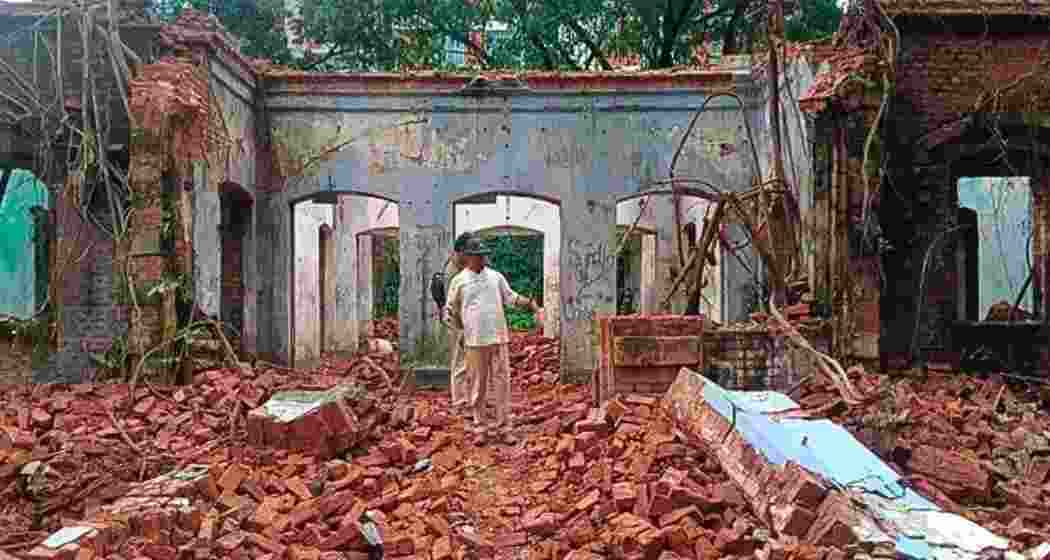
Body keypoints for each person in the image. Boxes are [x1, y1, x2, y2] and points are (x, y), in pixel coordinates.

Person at [444, 235, 541, 439]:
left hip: (498, 338)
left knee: (502, 384)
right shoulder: (459, 281)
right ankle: (480, 427)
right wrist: (458, 331)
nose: (481, 259)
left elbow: (511, 298)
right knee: (477, 385)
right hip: (474, 340)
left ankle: (504, 427)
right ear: (468, 257)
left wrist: (530, 303)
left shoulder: (496, 277)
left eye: (483, 255)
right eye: (477, 256)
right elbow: (450, 310)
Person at [445, 232, 474, 409]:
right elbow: (454, 307)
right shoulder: (452, 273)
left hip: (464, 321)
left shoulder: (458, 268)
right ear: (460, 251)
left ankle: (466, 398)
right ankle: (460, 402)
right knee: (460, 362)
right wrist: (462, 330)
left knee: (466, 362)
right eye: (468, 252)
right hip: (458, 322)